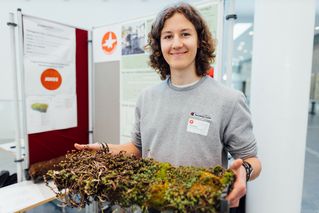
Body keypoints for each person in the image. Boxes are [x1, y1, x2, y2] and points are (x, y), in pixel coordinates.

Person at [75, 2, 261, 209]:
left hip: (203, 206)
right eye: (168, 36)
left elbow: (251, 159)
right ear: (159, 45)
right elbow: (137, 149)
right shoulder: (147, 98)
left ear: (200, 41)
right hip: (152, 204)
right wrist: (104, 149)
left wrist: (245, 170)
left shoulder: (229, 99)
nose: (177, 43)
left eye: (185, 34)